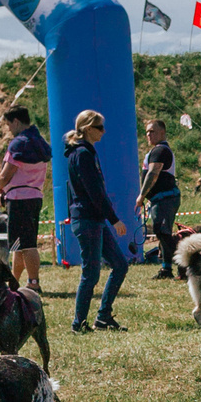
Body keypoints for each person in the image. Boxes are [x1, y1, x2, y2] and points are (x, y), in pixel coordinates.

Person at [63, 109, 131, 331]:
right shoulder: (82, 154)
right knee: (90, 274)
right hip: (89, 219)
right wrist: (114, 220)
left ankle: (103, 317)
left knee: (120, 265)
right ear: (88, 128)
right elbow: (94, 192)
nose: (103, 131)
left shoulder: (84, 152)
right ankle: (78, 323)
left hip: (92, 219)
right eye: (100, 127)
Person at [0, 102, 52, 292]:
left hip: (19, 198)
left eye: (9, 125)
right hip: (34, 194)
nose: (9, 130)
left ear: (17, 121)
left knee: (27, 245)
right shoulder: (40, 141)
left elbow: (5, 175)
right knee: (18, 245)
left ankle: (33, 283)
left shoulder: (19, 143)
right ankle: (14, 282)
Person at [139, 118, 180, 274]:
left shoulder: (160, 150)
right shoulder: (157, 150)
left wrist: (141, 196)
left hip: (165, 198)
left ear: (162, 132)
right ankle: (167, 267)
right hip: (160, 198)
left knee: (163, 233)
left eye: (152, 131)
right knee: (162, 233)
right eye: (147, 132)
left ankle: (181, 265)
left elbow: (153, 174)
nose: (148, 135)